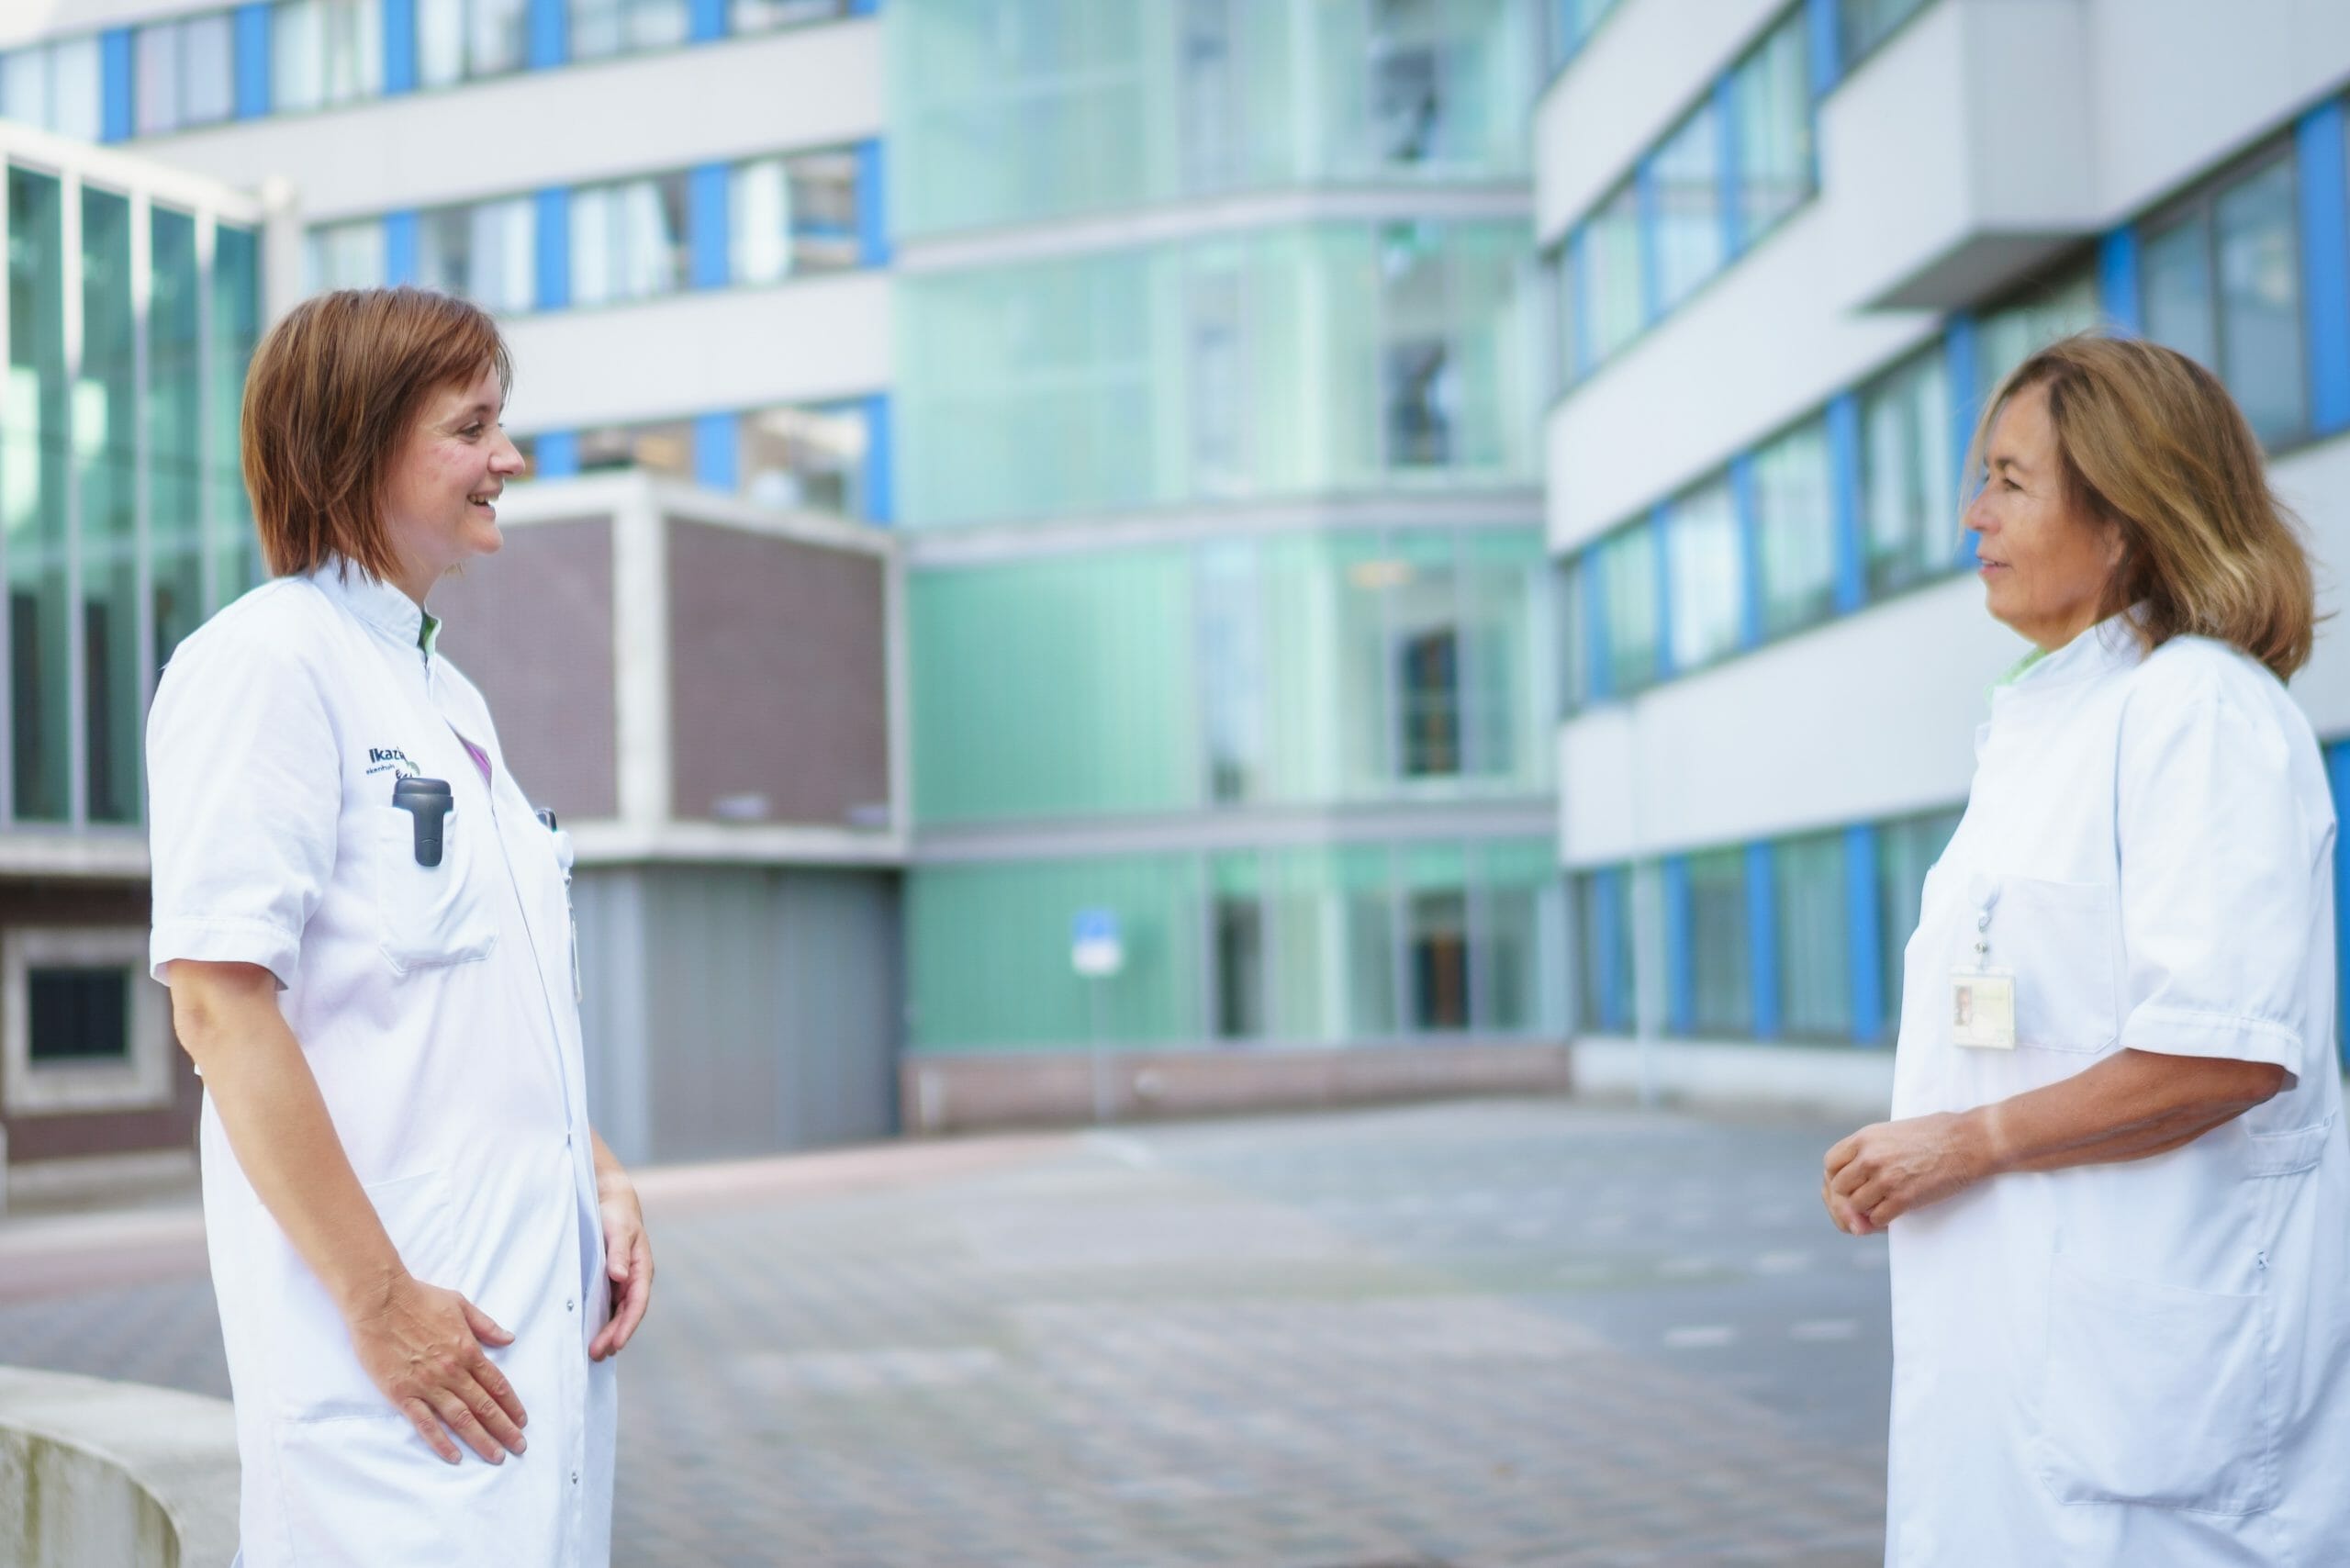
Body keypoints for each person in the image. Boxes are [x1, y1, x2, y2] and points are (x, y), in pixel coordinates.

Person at [1821, 332, 2350, 1563]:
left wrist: (1962, 1141)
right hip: (2029, 1378)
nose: (1972, 514)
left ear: (2125, 516)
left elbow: (2223, 1057)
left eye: (2009, 479)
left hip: (2154, 1426)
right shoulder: (2050, 722)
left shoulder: (2199, 712)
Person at [149, 286, 652, 1565]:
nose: (511, 459)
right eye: (473, 426)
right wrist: (380, 1308)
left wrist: (592, 1168)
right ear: (358, 447)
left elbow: (472, 995)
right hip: (390, 1390)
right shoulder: (266, 663)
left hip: (507, 1364)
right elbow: (216, 1000)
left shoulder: (448, 698)